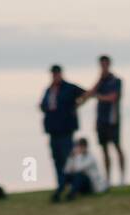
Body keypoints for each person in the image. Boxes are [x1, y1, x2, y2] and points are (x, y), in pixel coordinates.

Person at [40, 64, 90, 198]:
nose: (55, 76)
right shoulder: (49, 90)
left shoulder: (69, 88)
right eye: (53, 74)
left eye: (56, 73)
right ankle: (61, 185)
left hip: (66, 129)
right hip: (53, 130)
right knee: (57, 160)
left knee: (68, 159)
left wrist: (77, 105)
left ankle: (73, 187)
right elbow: (44, 105)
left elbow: (86, 94)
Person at [89, 55, 125, 184]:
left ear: (109, 64)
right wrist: (99, 80)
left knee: (116, 146)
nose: (103, 67)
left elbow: (113, 97)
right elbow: (90, 93)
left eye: (105, 64)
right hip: (101, 120)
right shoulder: (101, 81)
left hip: (112, 119)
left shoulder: (116, 80)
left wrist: (98, 96)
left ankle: (122, 178)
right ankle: (108, 179)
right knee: (104, 149)